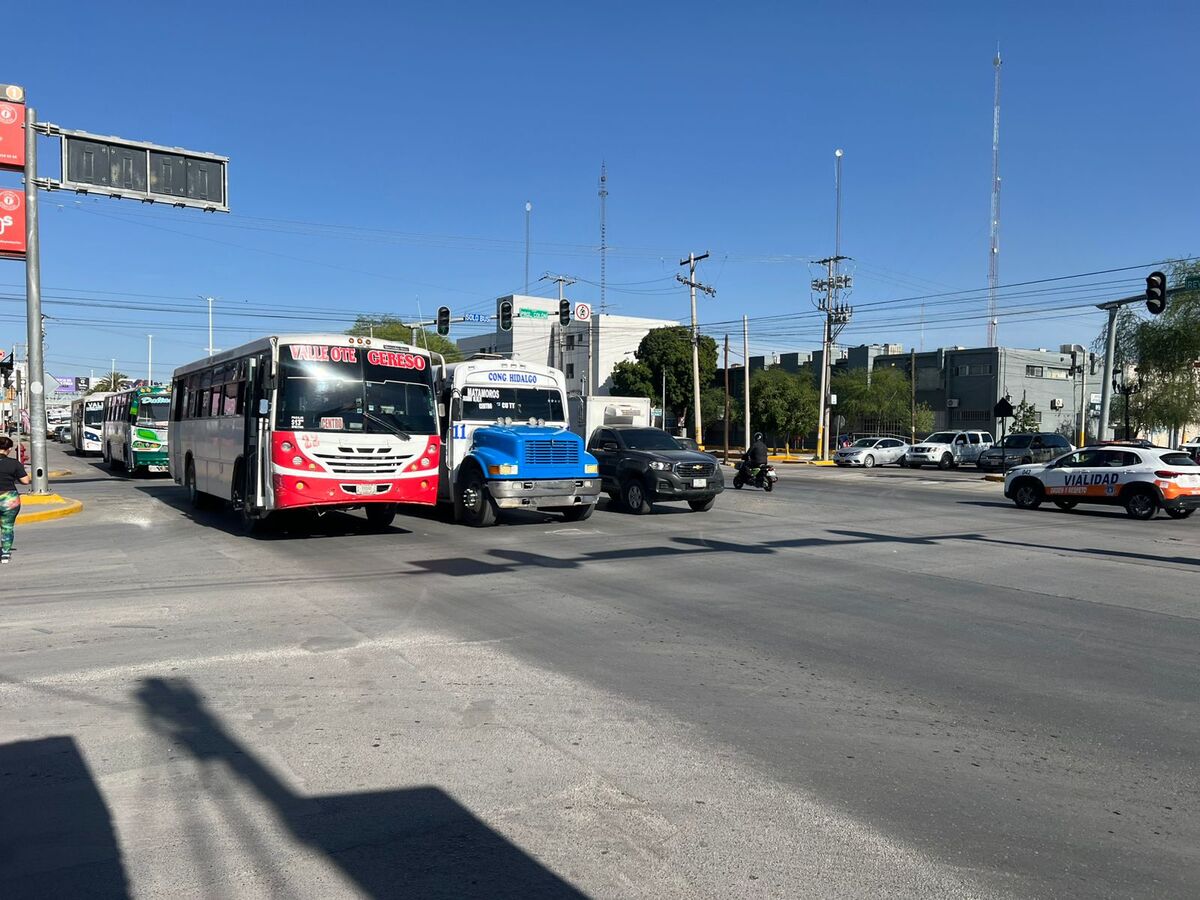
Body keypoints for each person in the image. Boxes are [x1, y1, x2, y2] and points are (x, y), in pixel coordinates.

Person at [0, 435, 31, 564]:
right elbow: (25, 481)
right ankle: (5, 554)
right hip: (9, 499)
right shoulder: (14, 463)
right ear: (9, 449)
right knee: (7, 527)